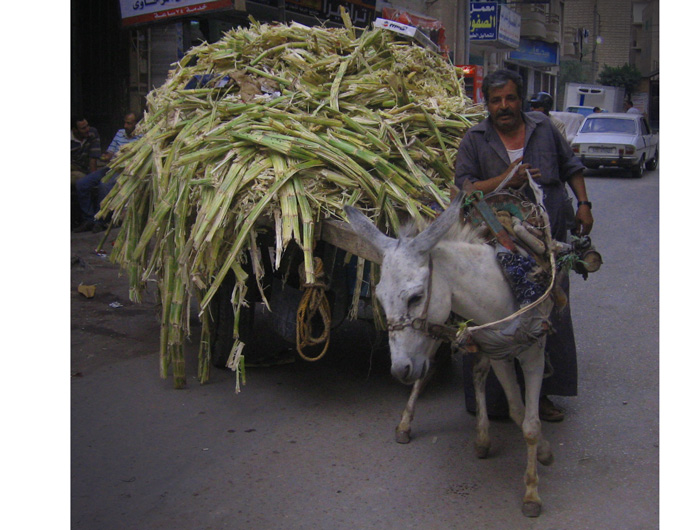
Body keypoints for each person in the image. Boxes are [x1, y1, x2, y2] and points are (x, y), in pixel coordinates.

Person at [455, 69, 594, 422]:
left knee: (550, 312)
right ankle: (492, 399)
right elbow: (465, 190)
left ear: (522, 99)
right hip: (496, 239)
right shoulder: (474, 138)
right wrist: (506, 179)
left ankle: (544, 395)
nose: (504, 106)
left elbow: (571, 166)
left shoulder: (544, 128)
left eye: (510, 98)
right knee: (494, 314)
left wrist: (583, 203)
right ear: (487, 103)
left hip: (548, 236)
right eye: (496, 100)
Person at [74, 112, 141, 233]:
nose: (125, 125)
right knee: (81, 184)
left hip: (125, 170)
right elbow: (111, 150)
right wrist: (107, 156)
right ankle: (88, 218)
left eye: (129, 123)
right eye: (125, 122)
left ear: (137, 124)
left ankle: (100, 220)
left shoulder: (142, 137)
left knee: (104, 186)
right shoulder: (120, 133)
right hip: (111, 167)